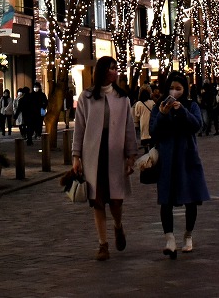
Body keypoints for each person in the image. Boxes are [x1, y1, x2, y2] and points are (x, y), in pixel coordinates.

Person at [71, 57, 138, 261]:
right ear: (102, 71)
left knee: (116, 201)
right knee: (97, 201)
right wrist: (76, 156)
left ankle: (118, 226)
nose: (115, 72)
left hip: (115, 154)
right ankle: (103, 244)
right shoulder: (87, 97)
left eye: (116, 68)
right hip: (94, 154)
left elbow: (128, 128)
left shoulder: (122, 98)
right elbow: (79, 128)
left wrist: (131, 155)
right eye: (111, 68)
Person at [150, 72, 210, 259]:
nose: (174, 92)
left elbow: (197, 125)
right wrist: (163, 114)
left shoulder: (191, 105)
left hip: (187, 158)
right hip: (167, 159)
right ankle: (169, 239)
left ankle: (188, 235)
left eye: (178, 88)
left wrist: (182, 110)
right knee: (166, 200)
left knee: (191, 198)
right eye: (171, 88)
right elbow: (153, 131)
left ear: (185, 89)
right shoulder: (159, 107)